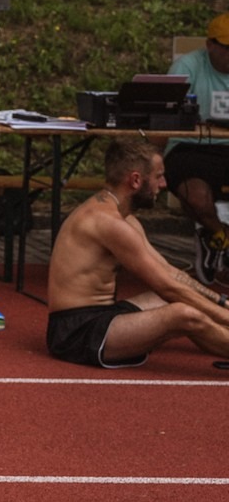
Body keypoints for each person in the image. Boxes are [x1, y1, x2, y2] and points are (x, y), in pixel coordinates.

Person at [46, 138, 229, 369]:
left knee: (177, 299)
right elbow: (167, 287)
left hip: (103, 314)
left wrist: (222, 302)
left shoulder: (123, 217)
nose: (163, 184)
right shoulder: (108, 223)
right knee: (183, 313)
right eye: (158, 177)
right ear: (135, 180)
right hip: (76, 332)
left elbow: (170, 273)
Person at [164, 12, 229, 284]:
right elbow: (166, 114)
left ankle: (214, 239)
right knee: (197, 197)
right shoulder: (186, 67)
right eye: (227, 48)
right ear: (210, 44)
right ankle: (219, 236)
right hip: (190, 147)